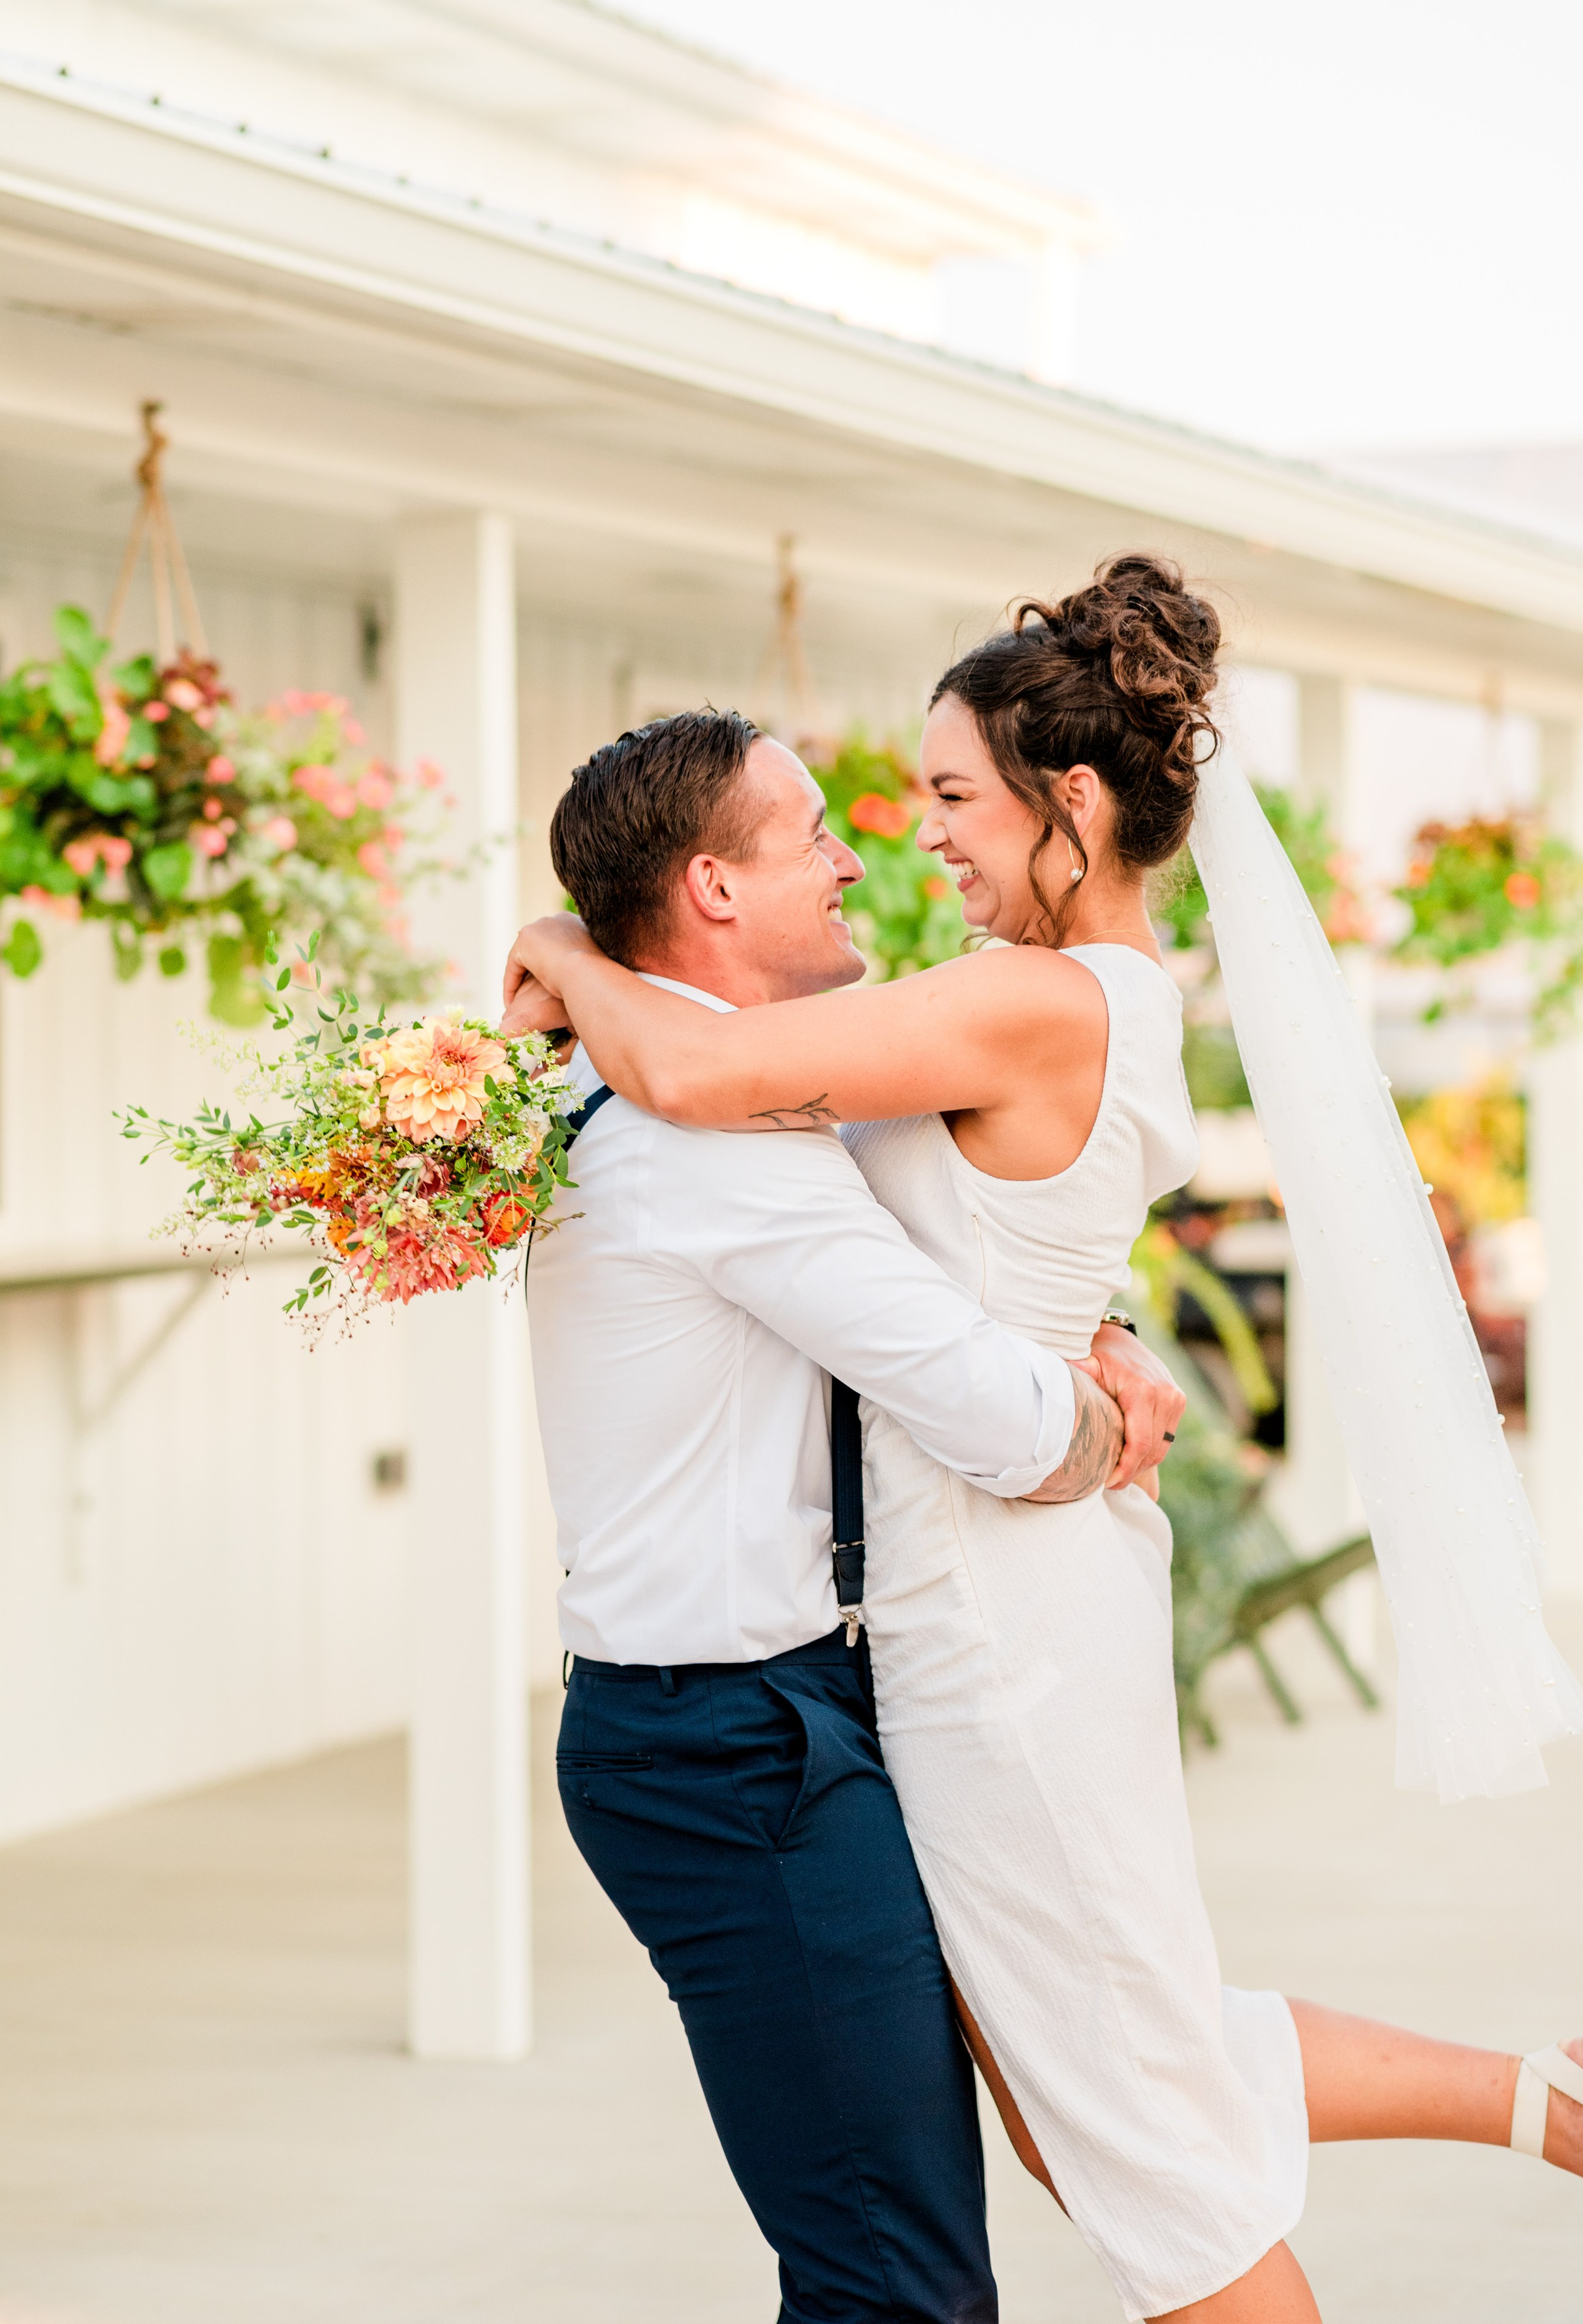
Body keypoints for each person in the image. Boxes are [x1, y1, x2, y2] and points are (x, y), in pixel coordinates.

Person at [505, 555, 1583, 2324]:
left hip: (999, 1609)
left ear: (1071, 800)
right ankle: (1558, 2098)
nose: (918, 841)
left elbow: (700, 1075)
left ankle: (1558, 2101)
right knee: (1097, 2083)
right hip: (977, 1593)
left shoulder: (1038, 998)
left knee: (1135, 2136)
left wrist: (557, 946)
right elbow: (905, 1197)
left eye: (951, 796)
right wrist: (1095, 1334)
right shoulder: (1041, 992)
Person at [516, 702, 1170, 2324]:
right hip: (735, 1751)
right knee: (893, 2275)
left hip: (765, 1723)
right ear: (713, 891)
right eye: (811, 832)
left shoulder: (718, 1093)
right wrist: (1102, 1422)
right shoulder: (702, 1147)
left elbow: (969, 1220)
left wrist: (1101, 1318)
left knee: (909, 2243)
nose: (856, 855)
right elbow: (1009, 1429)